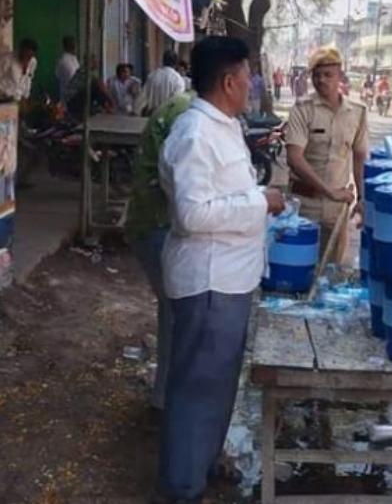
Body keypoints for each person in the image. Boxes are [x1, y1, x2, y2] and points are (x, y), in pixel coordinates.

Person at [154, 36, 284, 503]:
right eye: (248, 78)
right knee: (197, 391)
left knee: (218, 384)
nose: (252, 86)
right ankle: (181, 489)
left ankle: (202, 464)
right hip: (208, 281)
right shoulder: (194, 134)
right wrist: (259, 201)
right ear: (228, 82)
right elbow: (192, 215)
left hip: (229, 279)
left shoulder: (224, 125)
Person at [125, 92, 194, 412]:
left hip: (150, 222)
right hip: (155, 225)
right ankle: (169, 398)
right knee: (179, 310)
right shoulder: (189, 119)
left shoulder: (185, 109)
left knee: (174, 311)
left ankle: (168, 394)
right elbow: (187, 190)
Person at [285, 47, 368, 264]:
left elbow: (359, 158)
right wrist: (329, 191)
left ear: (340, 76)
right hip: (304, 204)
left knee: (331, 273)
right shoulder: (302, 110)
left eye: (328, 74)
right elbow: (294, 158)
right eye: (316, 75)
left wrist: (361, 198)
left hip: (336, 209)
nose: (321, 80)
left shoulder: (357, 113)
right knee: (298, 268)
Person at [64, 54, 115, 121]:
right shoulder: (85, 71)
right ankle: (107, 108)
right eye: (95, 61)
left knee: (96, 88)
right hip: (73, 101)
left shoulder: (86, 71)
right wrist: (113, 103)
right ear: (90, 62)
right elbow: (102, 87)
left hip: (76, 100)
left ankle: (104, 107)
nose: (97, 63)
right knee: (95, 86)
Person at [140, 49, 186, 115]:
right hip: (168, 117)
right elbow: (176, 101)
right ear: (176, 63)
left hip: (152, 116)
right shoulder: (178, 79)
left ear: (163, 61)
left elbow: (143, 97)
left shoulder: (152, 75)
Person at [0, 38, 38, 102]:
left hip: (20, 99)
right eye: (26, 54)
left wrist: (26, 96)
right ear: (20, 50)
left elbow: (28, 80)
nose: (27, 58)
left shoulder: (33, 62)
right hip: (5, 98)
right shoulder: (7, 59)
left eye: (30, 56)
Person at [55, 36, 79, 102]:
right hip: (68, 98)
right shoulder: (63, 60)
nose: (74, 46)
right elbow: (58, 75)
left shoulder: (74, 58)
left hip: (76, 95)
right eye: (71, 44)